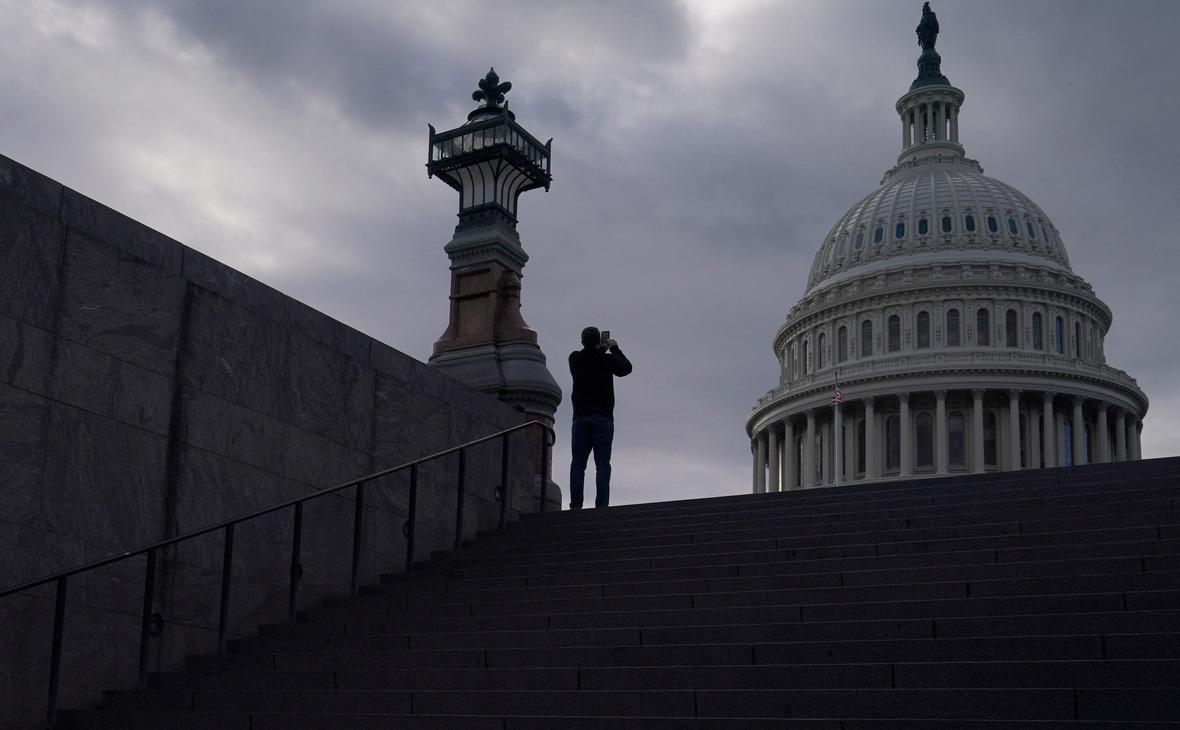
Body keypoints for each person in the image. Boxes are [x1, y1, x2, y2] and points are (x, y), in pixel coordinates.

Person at [568, 326, 632, 509]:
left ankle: (576, 505)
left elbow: (588, 358)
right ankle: (601, 506)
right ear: (598, 341)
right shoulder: (607, 359)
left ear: (582, 341)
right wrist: (614, 348)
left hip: (580, 418)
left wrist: (598, 350)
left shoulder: (574, 358)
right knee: (603, 465)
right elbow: (627, 368)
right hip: (603, 418)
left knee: (578, 464)